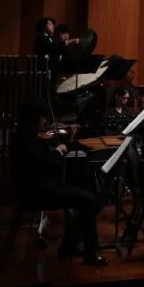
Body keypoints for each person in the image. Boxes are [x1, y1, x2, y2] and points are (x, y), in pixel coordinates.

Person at [11, 103, 107, 265]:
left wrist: (66, 144)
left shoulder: (27, 136)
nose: (45, 122)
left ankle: (69, 244)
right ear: (32, 119)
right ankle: (90, 254)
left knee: (94, 200)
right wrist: (58, 151)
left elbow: (48, 159)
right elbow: (48, 161)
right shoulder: (26, 140)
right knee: (90, 201)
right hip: (38, 193)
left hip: (45, 187)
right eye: (42, 118)